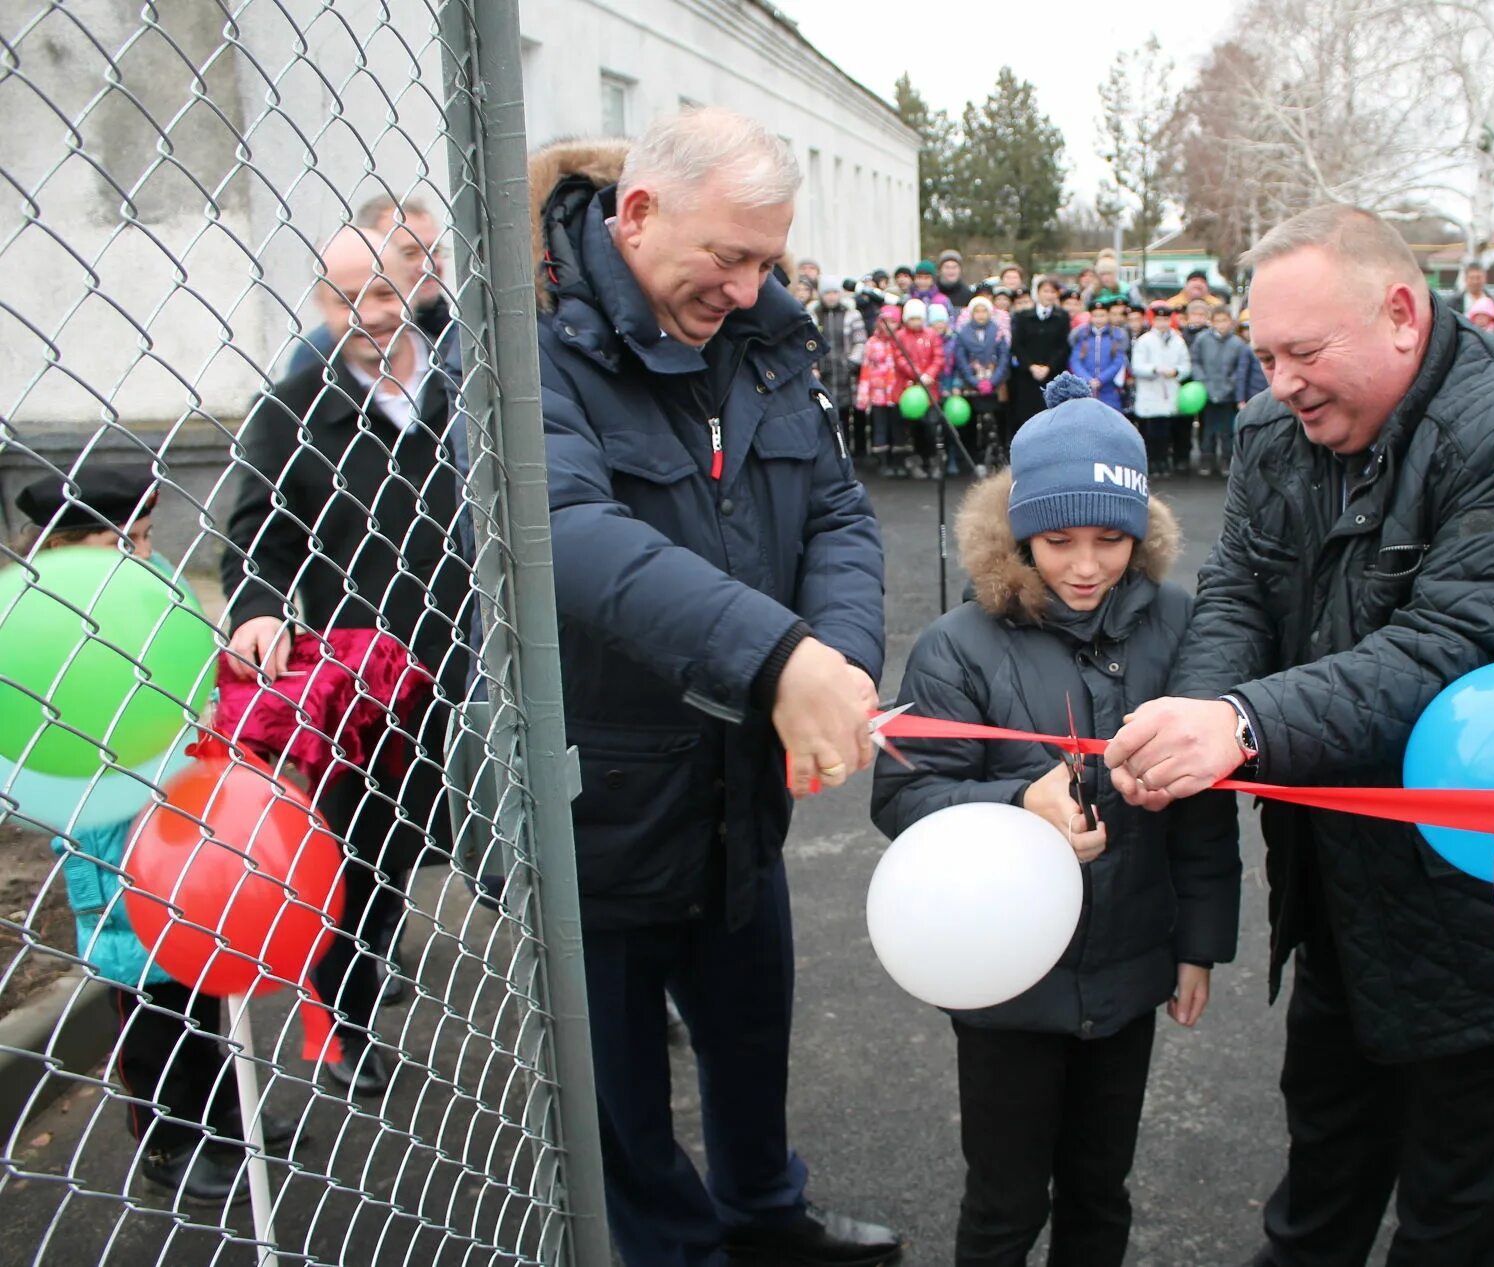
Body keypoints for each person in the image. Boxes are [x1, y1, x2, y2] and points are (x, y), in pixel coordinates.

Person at [1101, 205, 1494, 1267]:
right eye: (1262, 354)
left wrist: (1241, 725)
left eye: (1303, 352)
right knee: (1323, 1175)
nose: (1281, 382)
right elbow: (1239, 594)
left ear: (1399, 313)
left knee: (1452, 1218)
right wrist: (1192, 722)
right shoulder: (1270, 433)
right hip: (1345, 884)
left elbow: (1455, 651)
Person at [526, 113, 898, 1267]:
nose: (745, 290)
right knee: (621, 1095)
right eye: (726, 259)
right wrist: (779, 659)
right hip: (602, 794)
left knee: (749, 1034)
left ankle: (761, 1213)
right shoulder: (519, 340)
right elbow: (567, 532)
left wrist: (831, 655)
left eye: (767, 261)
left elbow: (832, 507)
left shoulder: (768, 341)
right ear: (636, 216)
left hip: (737, 785)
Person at [870, 376, 1240, 1267]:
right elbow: (904, 798)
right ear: (1016, 533)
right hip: (1005, 984)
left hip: (1129, 965)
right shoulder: (956, 645)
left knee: (1099, 1191)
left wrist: (1199, 941)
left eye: (1110, 539)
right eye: (1058, 539)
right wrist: (1013, 803)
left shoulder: (1180, 624)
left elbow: (1205, 804)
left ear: (1141, 534)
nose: (1084, 565)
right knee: (1002, 1203)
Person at [223, 223, 472, 1098]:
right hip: (371, 683)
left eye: (379, 292)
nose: (365, 315)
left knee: (542, 834)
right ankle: (349, 1026)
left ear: (415, 286)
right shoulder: (294, 408)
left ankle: (610, 991)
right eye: (342, 299)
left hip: (488, 660)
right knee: (365, 862)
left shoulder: (471, 383)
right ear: (320, 306)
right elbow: (257, 532)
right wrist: (257, 606)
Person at [14, 464, 295, 1204]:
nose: (138, 551)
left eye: (142, 536)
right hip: (111, 844)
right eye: (119, 541)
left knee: (207, 989)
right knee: (152, 1008)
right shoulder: (45, 619)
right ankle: (169, 1140)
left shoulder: (151, 587)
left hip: (180, 823)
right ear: (64, 547)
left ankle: (229, 1120)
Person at [285, 193, 450, 376]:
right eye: (410, 253)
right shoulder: (320, 352)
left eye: (435, 250)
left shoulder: (458, 330)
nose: (429, 265)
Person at [1010, 276, 1074, 443]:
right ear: (1037, 293)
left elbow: (1064, 346)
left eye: (1053, 291)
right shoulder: (1024, 316)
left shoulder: (1062, 317)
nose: (1049, 295)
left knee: (1052, 414)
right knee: (1027, 415)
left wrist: (1049, 367)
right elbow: (1017, 344)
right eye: (1045, 291)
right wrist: (1031, 366)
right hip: (1028, 375)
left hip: (1052, 374)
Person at [1131, 302, 1192, 476]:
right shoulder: (1145, 341)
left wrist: (1177, 372)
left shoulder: (1178, 341)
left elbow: (1186, 365)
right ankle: (1152, 461)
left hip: (1169, 390)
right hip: (1150, 390)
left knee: (1165, 430)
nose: (1162, 323)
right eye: (1159, 319)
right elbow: (1137, 366)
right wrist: (1154, 369)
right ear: (1153, 320)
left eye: (1166, 319)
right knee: (1150, 431)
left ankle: (1164, 460)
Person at [1190, 304, 1248, 477]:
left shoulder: (1237, 344)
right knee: (1207, 430)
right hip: (1206, 393)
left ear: (1231, 322)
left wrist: (1229, 386)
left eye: (1225, 320)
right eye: (1218, 321)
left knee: (1226, 431)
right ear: (1211, 322)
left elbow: (1240, 370)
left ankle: (1226, 460)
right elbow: (1195, 361)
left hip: (1227, 395)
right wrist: (1202, 382)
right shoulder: (1202, 340)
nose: (1221, 324)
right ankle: (1206, 460)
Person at [812, 276, 867, 455]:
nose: (831, 297)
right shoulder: (813, 315)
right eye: (827, 293)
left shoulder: (852, 314)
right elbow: (808, 344)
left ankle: (856, 451)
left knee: (849, 411)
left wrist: (853, 361)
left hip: (847, 372)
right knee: (826, 412)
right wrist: (814, 366)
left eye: (835, 293)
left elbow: (860, 341)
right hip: (824, 373)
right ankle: (831, 451)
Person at [953, 294, 1010, 469]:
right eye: (976, 311)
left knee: (993, 421)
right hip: (971, 383)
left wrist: (993, 381)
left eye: (984, 310)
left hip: (993, 382)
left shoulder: (997, 331)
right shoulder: (963, 333)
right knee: (972, 422)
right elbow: (960, 359)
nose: (980, 314)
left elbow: (1003, 357)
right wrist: (973, 380)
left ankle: (996, 456)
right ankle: (974, 458)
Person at [896, 297, 948, 478]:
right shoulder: (901, 336)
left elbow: (939, 357)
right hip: (910, 390)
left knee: (932, 426)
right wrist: (916, 373)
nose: (916, 322)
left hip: (930, 390)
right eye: (912, 319)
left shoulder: (932, 335)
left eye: (919, 318)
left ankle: (934, 460)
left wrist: (930, 374)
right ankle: (916, 460)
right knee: (913, 428)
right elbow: (900, 358)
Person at [858, 303, 905, 478]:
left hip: (897, 393)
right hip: (878, 394)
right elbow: (866, 369)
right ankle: (882, 461)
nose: (888, 326)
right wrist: (863, 395)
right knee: (880, 428)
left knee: (897, 428)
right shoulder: (872, 343)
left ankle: (898, 461)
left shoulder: (900, 341)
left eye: (892, 322)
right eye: (885, 322)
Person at [1070, 299, 1128, 412]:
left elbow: (1118, 361)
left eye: (1102, 315)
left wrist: (1101, 379)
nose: (1099, 319)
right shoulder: (1081, 334)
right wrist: (1088, 379)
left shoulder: (1117, 335)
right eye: (1095, 316)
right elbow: (1075, 361)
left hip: (1109, 388)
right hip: (1085, 387)